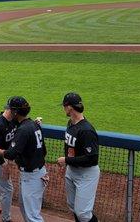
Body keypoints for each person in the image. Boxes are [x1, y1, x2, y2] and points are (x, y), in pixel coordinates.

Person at [0, 96, 48, 222]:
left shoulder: (23, 129)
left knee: (33, 216)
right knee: (25, 208)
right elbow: (44, 151)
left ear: (15, 112)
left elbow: (11, 154)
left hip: (32, 176)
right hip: (35, 173)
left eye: (11, 109)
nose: (9, 111)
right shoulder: (34, 125)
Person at [56, 92, 99, 222]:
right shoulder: (70, 123)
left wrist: (66, 160)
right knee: (73, 207)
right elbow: (70, 147)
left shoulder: (86, 130)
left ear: (69, 107)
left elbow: (92, 158)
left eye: (64, 106)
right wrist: (67, 164)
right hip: (72, 170)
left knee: (83, 214)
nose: (63, 108)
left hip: (86, 174)